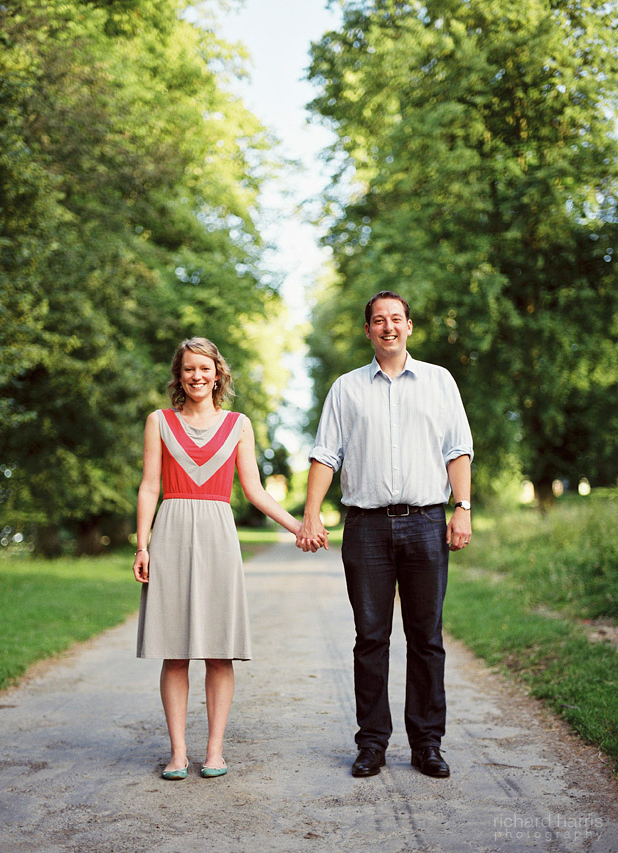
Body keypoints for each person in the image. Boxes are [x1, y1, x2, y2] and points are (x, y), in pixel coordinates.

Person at [296, 291, 473, 779]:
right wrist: (311, 514)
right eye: (379, 320)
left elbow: (458, 449)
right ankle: (372, 742)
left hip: (426, 522)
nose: (388, 327)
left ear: (410, 327)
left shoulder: (439, 382)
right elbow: (325, 454)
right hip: (367, 527)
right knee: (370, 638)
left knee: (426, 637)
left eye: (397, 319)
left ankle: (427, 744)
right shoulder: (346, 389)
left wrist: (463, 509)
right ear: (368, 330)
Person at [133, 337, 314, 780]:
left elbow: (253, 489)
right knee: (173, 652)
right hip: (171, 532)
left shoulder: (238, 424)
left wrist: (298, 526)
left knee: (219, 652)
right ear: (179, 375)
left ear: (219, 374)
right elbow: (149, 487)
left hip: (217, 534)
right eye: (189, 369)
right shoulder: (159, 422)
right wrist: (142, 544)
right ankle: (178, 753)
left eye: (205, 368)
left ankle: (214, 751)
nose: (197, 376)